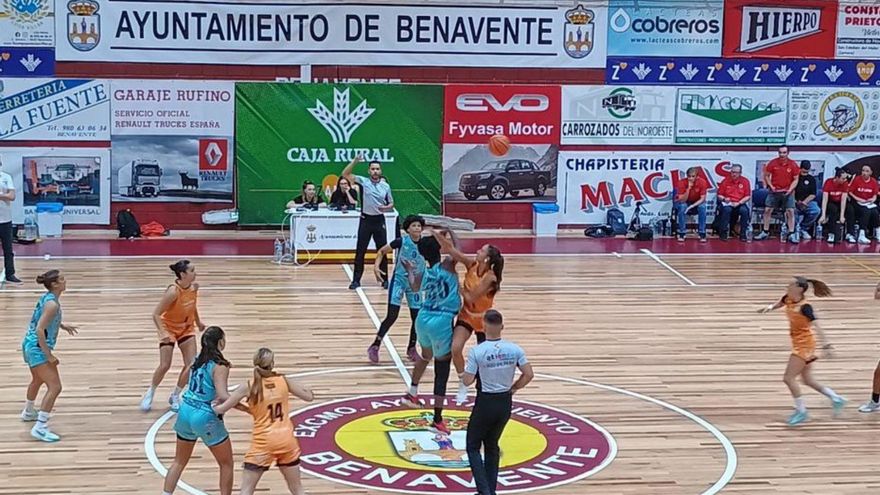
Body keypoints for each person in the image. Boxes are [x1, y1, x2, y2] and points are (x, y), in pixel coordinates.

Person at [214, 348, 314, 495]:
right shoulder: (283, 381)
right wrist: (308, 389)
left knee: (247, 490)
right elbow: (308, 397)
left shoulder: (248, 386)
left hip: (264, 442)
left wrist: (213, 406)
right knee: (297, 489)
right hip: (286, 440)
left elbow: (221, 409)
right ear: (272, 364)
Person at [462, 310, 533, 495]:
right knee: (492, 445)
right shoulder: (515, 349)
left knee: (472, 446)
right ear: (502, 327)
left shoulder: (477, 351)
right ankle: (490, 490)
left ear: (483, 327)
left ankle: (484, 490)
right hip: (504, 403)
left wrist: (463, 371)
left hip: (485, 402)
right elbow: (529, 374)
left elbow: (467, 381)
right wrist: (515, 387)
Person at [758, 277, 846, 426]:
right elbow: (780, 303)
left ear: (799, 288)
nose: (787, 285)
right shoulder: (788, 299)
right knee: (807, 380)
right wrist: (769, 307)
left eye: (791, 284)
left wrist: (827, 345)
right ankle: (836, 398)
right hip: (798, 342)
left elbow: (817, 326)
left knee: (788, 378)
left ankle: (802, 411)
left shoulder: (805, 307)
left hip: (804, 345)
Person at [162, 326, 236, 495]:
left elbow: (184, 377)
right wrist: (243, 404)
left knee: (179, 462)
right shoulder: (220, 365)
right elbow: (224, 396)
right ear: (220, 342)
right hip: (204, 416)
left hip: (185, 411)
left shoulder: (196, 360)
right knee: (226, 463)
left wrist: (176, 393)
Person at [401, 230, 461, 434]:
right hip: (441, 319)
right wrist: (450, 231)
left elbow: (414, 287)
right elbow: (456, 250)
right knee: (441, 371)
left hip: (422, 318)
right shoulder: (447, 265)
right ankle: (437, 419)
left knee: (426, 356)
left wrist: (409, 269)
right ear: (439, 249)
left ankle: (412, 392)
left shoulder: (423, 270)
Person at [20, 270, 78, 442]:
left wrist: (62, 325)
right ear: (54, 284)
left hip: (29, 344)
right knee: (55, 387)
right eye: (62, 279)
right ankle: (40, 427)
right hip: (37, 348)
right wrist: (49, 355)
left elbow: (43, 319)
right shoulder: (52, 304)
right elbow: (40, 329)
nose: (65, 280)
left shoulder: (49, 299)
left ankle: (29, 411)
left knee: (37, 380)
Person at [141, 260, 206, 412]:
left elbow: (192, 306)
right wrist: (162, 332)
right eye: (192, 270)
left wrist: (198, 321)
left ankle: (175, 395)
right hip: (169, 328)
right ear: (182, 274)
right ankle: (150, 392)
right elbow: (156, 314)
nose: (195, 273)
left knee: (192, 364)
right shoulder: (173, 292)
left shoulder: (194, 288)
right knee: (165, 365)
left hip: (187, 328)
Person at [444, 243, 504, 405]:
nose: (478, 251)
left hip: (483, 321)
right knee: (455, 348)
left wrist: (454, 280)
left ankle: (486, 390)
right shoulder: (471, 264)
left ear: (488, 258)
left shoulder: (490, 277)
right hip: (466, 316)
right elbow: (451, 250)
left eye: (481, 250)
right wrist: (436, 233)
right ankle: (463, 381)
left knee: (485, 359)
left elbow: (471, 298)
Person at [368, 215, 426, 364]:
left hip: (415, 285)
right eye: (413, 225)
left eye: (419, 226)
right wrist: (376, 267)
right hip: (399, 282)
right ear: (407, 229)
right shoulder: (401, 241)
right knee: (392, 316)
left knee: (417, 319)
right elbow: (381, 251)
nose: (417, 228)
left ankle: (412, 348)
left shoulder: (426, 244)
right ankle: (375, 345)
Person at [342, 155, 394, 290]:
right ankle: (356, 280)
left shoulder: (385, 186)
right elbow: (345, 174)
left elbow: (391, 203)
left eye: (377, 169)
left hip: (379, 220)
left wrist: (387, 207)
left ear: (380, 171)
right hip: (365, 220)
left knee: (382, 250)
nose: (375, 171)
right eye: (373, 169)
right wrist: (355, 161)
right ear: (368, 171)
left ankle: (385, 279)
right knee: (360, 251)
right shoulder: (363, 182)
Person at [755, 146, 799, 243]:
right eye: (780, 152)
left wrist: (790, 189)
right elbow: (766, 176)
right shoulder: (772, 163)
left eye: (784, 153)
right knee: (767, 210)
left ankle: (791, 233)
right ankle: (765, 231)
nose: (782, 155)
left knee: (790, 211)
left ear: (788, 153)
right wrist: (771, 186)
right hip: (774, 191)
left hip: (788, 191)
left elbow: (796, 179)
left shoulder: (793, 164)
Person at [715, 164, 752, 242]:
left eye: (736, 172)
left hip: (739, 203)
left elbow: (747, 196)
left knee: (745, 211)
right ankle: (723, 233)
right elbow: (719, 195)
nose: (734, 174)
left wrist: (739, 203)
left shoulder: (745, 181)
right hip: (728, 203)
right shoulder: (725, 181)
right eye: (732, 172)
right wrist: (724, 199)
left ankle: (743, 234)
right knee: (726, 210)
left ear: (740, 173)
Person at [673, 167, 709, 242]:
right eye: (689, 176)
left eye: (693, 176)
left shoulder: (702, 182)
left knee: (702, 207)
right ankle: (682, 233)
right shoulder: (681, 182)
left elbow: (702, 199)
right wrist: (688, 189)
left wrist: (691, 206)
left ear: (697, 176)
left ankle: (702, 233)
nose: (690, 178)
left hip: (697, 202)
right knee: (682, 207)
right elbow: (682, 200)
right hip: (686, 201)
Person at [0, 156, 20, 284]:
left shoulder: (6, 177)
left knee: (8, 249)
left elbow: (11, 196)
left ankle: (10, 274)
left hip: (5, 219)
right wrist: (4, 195)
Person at [819, 167, 852, 244]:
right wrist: (823, 215)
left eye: (845, 178)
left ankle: (850, 234)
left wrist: (842, 216)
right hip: (830, 202)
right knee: (833, 209)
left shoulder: (845, 184)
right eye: (843, 178)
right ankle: (831, 233)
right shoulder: (828, 182)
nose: (845, 180)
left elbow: (844, 200)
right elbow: (825, 200)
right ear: (837, 177)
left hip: (840, 202)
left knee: (850, 209)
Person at [848, 165, 879, 244]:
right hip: (857, 202)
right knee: (866, 211)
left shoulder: (874, 181)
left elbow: (875, 194)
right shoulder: (857, 179)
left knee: (875, 212)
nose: (864, 173)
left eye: (867, 171)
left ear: (871, 173)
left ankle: (878, 232)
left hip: (868, 203)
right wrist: (858, 199)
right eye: (863, 170)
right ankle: (862, 235)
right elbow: (850, 192)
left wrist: (873, 199)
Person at [793, 160, 820, 242]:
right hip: (795, 201)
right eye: (803, 172)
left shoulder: (811, 179)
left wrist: (805, 202)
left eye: (806, 172)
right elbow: (791, 190)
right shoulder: (795, 177)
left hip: (808, 202)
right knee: (790, 209)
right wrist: (795, 201)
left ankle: (803, 228)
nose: (805, 173)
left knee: (816, 210)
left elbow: (813, 194)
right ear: (800, 169)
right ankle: (794, 230)